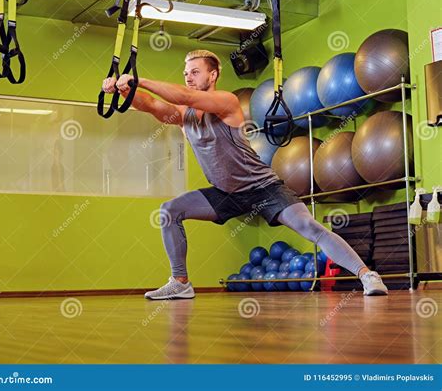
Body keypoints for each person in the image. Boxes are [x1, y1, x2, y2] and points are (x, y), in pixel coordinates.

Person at [102, 49, 388, 300]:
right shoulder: (184, 116)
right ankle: (180, 282)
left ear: (213, 75)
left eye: (195, 72)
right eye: (186, 73)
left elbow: (187, 95)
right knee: (169, 211)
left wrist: (140, 80)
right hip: (225, 193)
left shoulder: (226, 102)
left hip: (263, 188)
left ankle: (366, 275)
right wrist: (124, 91)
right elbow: (151, 105)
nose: (189, 77)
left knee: (310, 228)